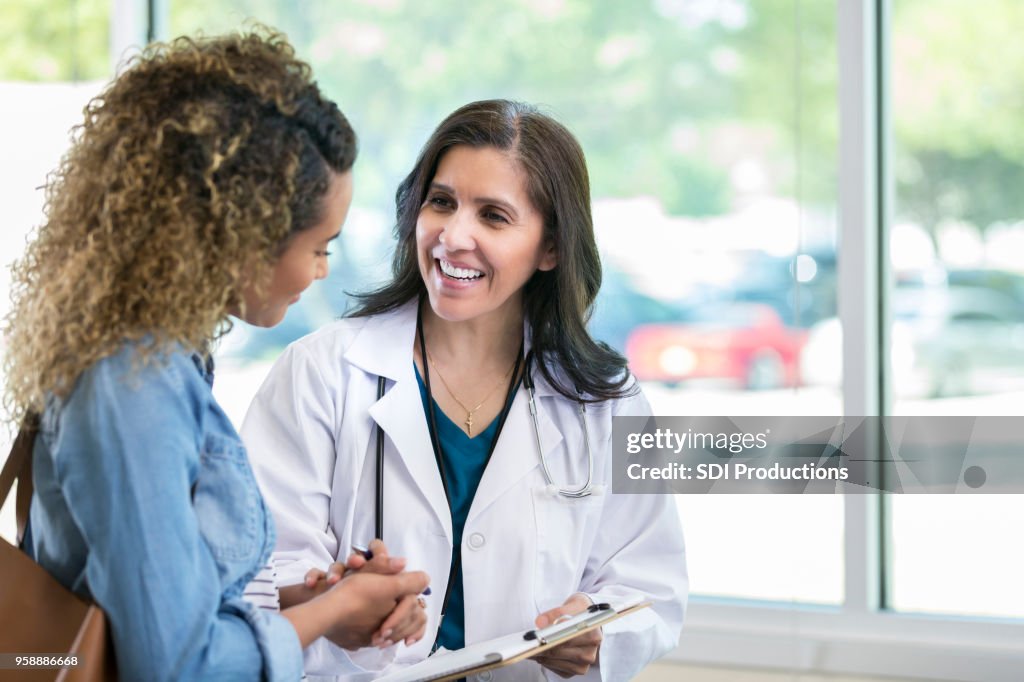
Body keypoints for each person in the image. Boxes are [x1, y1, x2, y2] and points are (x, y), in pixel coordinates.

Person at [1, 29, 430, 681]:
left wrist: (315, 606)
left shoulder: (161, 359)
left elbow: (161, 605)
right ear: (241, 237)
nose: (321, 272)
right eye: (320, 246)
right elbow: (176, 665)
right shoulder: (133, 383)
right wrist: (330, 607)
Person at [242, 99, 687, 680]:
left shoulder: (605, 399)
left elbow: (650, 583)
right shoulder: (320, 372)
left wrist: (596, 629)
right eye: (442, 202)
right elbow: (257, 569)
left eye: (494, 216)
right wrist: (332, 601)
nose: (454, 236)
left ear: (550, 247)